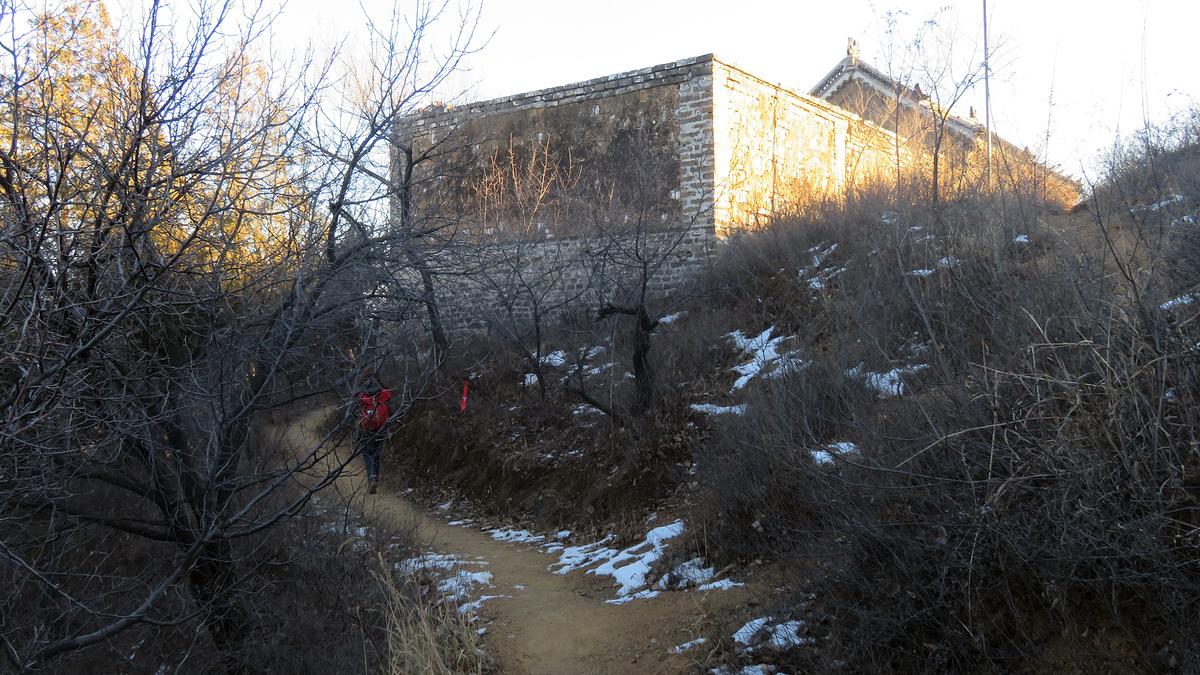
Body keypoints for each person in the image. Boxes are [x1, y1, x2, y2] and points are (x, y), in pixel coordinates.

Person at [355, 378, 391, 494]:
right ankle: (375, 476)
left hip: (365, 430)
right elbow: (393, 410)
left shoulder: (360, 397)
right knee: (376, 452)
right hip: (381, 428)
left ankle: (372, 478)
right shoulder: (384, 394)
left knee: (367, 453)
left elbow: (354, 414)